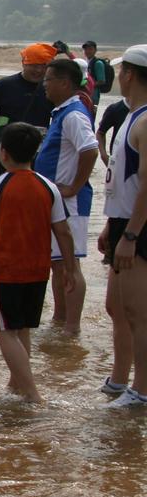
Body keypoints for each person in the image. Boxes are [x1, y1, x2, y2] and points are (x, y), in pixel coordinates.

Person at [0, 123, 77, 403]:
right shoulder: (48, 187)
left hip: (6, 271)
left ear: (3, 153)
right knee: (22, 328)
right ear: (35, 152)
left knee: (4, 331)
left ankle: (31, 393)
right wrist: (70, 268)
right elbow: (63, 231)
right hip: (38, 271)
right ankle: (16, 384)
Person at [35, 58, 99, 336]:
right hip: (56, 200)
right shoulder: (61, 112)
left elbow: (90, 149)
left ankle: (71, 327)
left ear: (63, 83)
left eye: (48, 80)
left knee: (69, 264)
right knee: (58, 264)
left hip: (69, 201)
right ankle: (60, 320)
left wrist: (73, 186)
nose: (44, 86)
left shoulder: (73, 114)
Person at [100, 44, 147, 407]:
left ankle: (142, 390)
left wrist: (130, 234)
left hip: (138, 228)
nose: (117, 76)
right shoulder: (130, 115)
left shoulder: (146, 121)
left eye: (120, 71)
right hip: (121, 222)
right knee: (116, 306)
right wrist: (110, 227)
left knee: (137, 311)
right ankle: (119, 379)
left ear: (129, 74)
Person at [0, 42, 55, 175]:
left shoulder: (51, 89)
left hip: (39, 151)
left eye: (43, 66)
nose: (39, 70)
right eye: (34, 65)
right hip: (7, 151)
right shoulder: (3, 86)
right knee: (8, 185)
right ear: (23, 63)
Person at [82, 40, 108, 106]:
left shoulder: (98, 63)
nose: (87, 51)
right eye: (86, 49)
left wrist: (88, 85)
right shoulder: (86, 62)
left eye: (90, 49)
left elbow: (101, 81)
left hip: (94, 95)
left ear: (95, 50)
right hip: (86, 94)